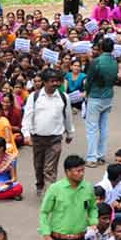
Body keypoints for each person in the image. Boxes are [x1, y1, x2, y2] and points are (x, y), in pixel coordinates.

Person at [22, 68, 74, 196]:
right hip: (37, 138)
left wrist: (70, 132)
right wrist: (26, 134)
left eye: (58, 81)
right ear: (45, 82)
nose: (56, 84)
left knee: (49, 168)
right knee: (39, 165)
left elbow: (67, 116)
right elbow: (28, 116)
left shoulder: (63, 97)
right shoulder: (34, 97)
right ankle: (40, 184)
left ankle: (50, 192)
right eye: (52, 81)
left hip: (55, 138)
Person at [84, 37, 117, 167]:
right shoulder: (114, 62)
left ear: (101, 48)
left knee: (92, 128)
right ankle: (101, 155)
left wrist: (86, 93)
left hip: (95, 96)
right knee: (103, 127)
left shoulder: (96, 62)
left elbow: (89, 80)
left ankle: (92, 157)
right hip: (108, 96)